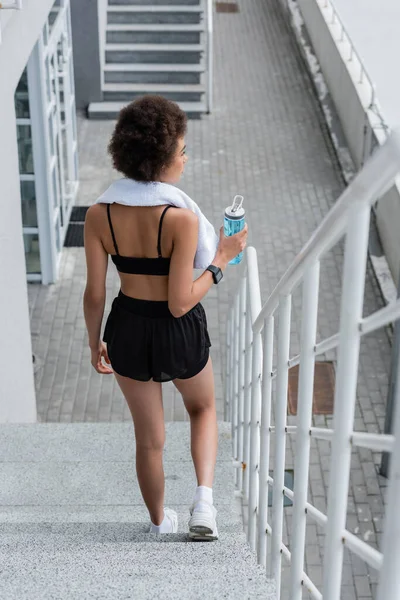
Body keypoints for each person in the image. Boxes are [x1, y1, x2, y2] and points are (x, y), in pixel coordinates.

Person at [83, 95, 247, 540]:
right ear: (162, 161)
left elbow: (95, 292)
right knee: (203, 407)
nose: (186, 158)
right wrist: (221, 261)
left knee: (149, 438)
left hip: (127, 328)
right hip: (178, 329)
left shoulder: (98, 215)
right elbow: (179, 302)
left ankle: (158, 523)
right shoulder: (181, 219)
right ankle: (204, 507)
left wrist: (95, 340)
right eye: (181, 151)